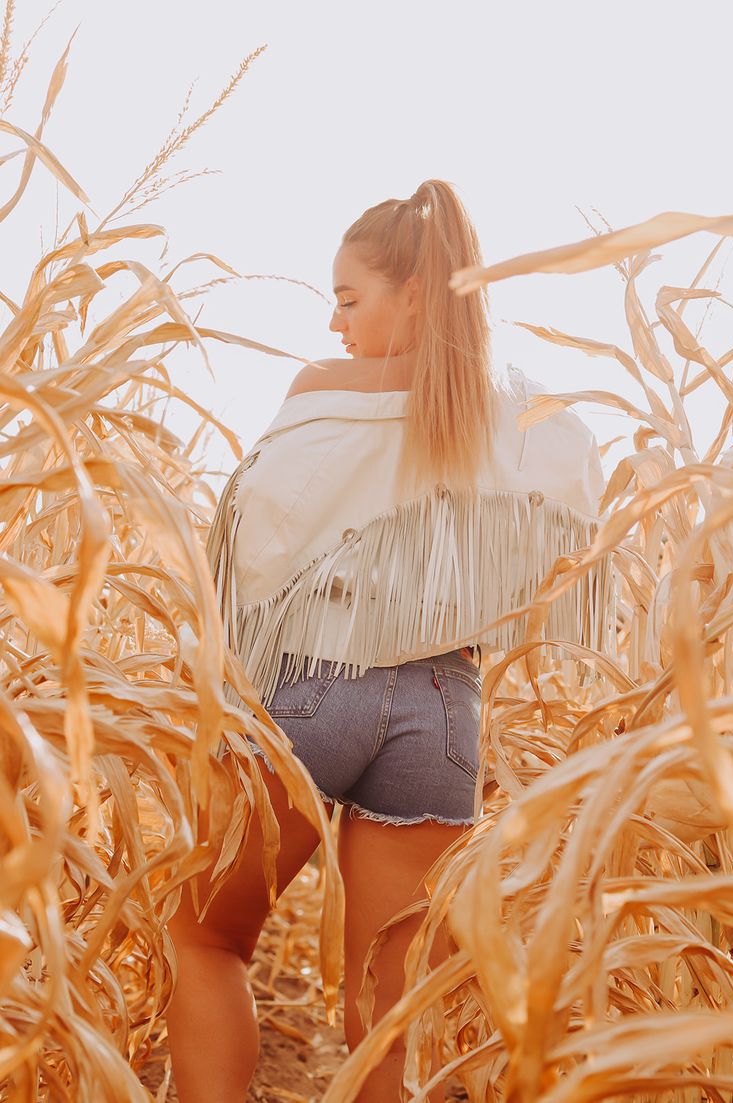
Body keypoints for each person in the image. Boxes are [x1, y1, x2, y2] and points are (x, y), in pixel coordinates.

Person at [165, 179, 616, 1102]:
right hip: (446, 712)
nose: (337, 326)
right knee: (390, 1016)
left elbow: (253, 549)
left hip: (314, 693)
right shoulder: (519, 412)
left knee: (204, 939)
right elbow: (582, 509)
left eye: (347, 298)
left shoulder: (324, 392)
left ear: (410, 292)